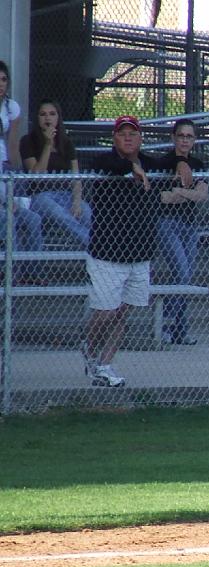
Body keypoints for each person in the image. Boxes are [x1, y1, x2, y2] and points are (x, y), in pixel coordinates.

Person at [83, 115, 163, 387]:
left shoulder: (151, 164)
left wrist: (184, 164)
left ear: (140, 138)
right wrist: (130, 169)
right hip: (107, 255)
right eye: (122, 133)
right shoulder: (103, 164)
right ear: (114, 138)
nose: (128, 138)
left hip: (140, 254)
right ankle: (89, 350)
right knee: (106, 311)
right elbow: (108, 165)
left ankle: (105, 365)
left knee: (121, 312)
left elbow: (173, 163)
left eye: (133, 133)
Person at [156, 118, 209, 345]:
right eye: (181, 136)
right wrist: (188, 191)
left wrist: (179, 190)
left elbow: (202, 196)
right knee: (182, 273)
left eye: (189, 136)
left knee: (185, 276)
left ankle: (179, 329)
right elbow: (162, 198)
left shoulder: (198, 164)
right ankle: (167, 324)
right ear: (173, 138)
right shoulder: (163, 163)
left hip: (189, 226)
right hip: (167, 224)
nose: (185, 140)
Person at [19, 99, 92, 248]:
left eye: (52, 114)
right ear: (37, 118)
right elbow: (37, 176)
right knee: (60, 215)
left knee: (87, 213)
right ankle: (94, 246)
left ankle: (96, 250)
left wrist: (77, 202)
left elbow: (76, 177)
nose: (48, 118)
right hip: (40, 196)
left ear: (58, 118)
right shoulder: (27, 141)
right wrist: (47, 144)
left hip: (65, 194)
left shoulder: (66, 143)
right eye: (43, 114)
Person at [0, 61, 44, 269]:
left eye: (4, 79)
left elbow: (13, 148)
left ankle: (32, 273)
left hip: (4, 179)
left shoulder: (11, 108)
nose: (1, 84)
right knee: (9, 220)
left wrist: (15, 188)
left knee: (32, 219)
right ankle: (11, 277)